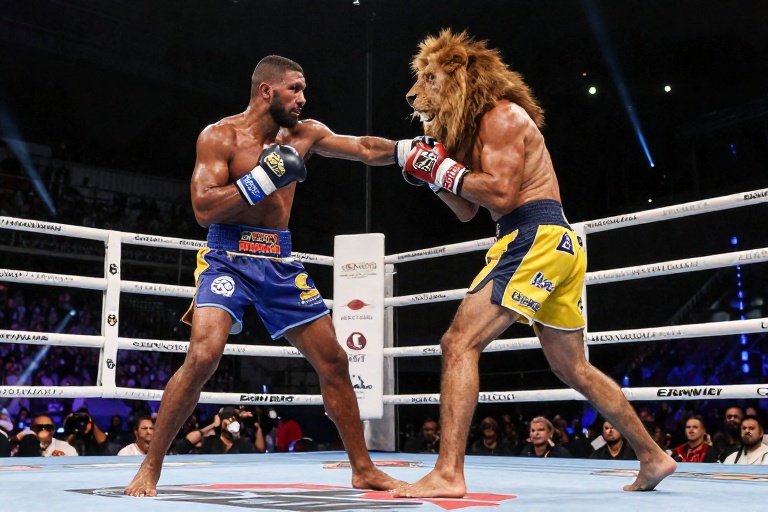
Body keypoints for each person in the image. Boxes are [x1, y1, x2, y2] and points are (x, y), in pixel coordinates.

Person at [393, 29, 676, 498]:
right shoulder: (474, 130)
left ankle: (448, 472)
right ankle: (653, 456)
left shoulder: (501, 115)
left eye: (429, 79)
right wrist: (432, 176)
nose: (414, 91)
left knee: (458, 343)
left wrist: (442, 169)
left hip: (534, 236)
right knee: (574, 368)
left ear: (460, 76)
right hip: (551, 243)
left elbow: (502, 194)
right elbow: (467, 209)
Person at [125, 55, 406, 496]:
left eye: (304, 89)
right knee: (203, 357)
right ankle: (150, 466)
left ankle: (363, 468)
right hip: (227, 255)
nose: (303, 98)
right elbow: (204, 208)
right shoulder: (219, 136)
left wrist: (411, 152)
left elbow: (365, 148)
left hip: (278, 258)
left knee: (334, 360)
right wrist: (263, 178)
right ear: (267, 91)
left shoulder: (304, 134)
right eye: (295, 88)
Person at [173, 406, 265, 455]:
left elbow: (259, 451)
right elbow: (183, 446)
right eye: (229, 419)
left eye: (234, 420)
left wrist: (258, 428)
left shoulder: (241, 443)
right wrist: (214, 424)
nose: (231, 422)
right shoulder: (210, 441)